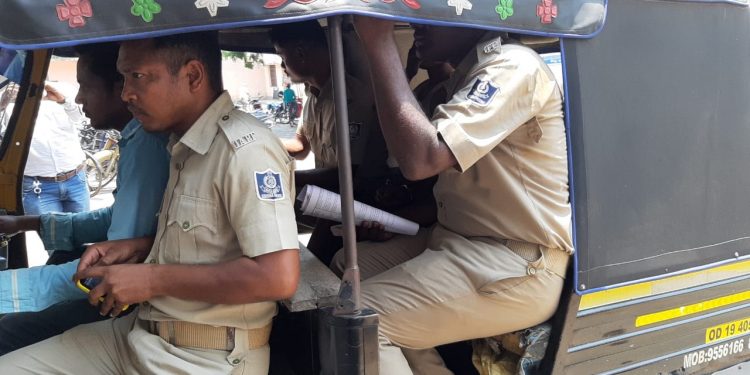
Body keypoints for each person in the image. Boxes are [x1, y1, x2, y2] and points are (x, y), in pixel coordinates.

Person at [0, 31, 300, 374]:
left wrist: (151, 279)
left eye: (138, 77)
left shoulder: (245, 152)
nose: (126, 93)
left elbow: (278, 276)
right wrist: (140, 247)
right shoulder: (183, 145)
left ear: (192, 76)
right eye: (124, 78)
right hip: (143, 335)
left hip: (205, 356)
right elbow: (207, 240)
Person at [337, 19, 573, 374]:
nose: (418, 21)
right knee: (345, 266)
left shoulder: (512, 66)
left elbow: (421, 160)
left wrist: (378, 40)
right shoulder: (464, 77)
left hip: (515, 261)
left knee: (361, 323)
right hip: (458, 241)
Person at [0, 42, 170, 355]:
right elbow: (112, 221)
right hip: (124, 284)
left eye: (85, 87)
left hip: (126, 300)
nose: (79, 99)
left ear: (121, 88)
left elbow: (115, 257)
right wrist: (24, 222)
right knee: (64, 256)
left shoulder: (148, 147)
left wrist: (10, 290)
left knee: (8, 331)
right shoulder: (136, 140)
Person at [269, 20, 391, 264]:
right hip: (326, 196)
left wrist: (286, 178)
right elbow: (301, 147)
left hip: (358, 199)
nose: (282, 66)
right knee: (265, 206)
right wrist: (262, 146)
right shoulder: (313, 95)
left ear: (301, 52)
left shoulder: (351, 99)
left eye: (283, 57)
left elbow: (348, 176)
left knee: (314, 263)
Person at [20, 83, 90, 221]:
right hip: (38, 187)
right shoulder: (11, 102)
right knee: (52, 237)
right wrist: (3, 105)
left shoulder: (60, 94)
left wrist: (63, 100)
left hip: (75, 180)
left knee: (82, 232)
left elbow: (80, 118)